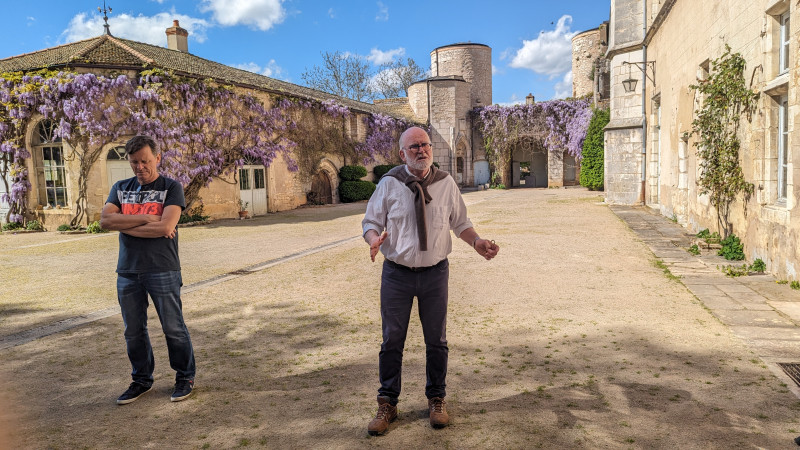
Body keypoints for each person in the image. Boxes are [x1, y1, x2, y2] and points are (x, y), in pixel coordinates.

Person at [362, 126, 499, 435]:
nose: (421, 150)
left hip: (435, 274)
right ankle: (387, 404)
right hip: (396, 275)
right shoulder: (389, 184)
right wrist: (373, 238)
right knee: (391, 340)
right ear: (402, 154)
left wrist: (477, 242)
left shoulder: (446, 184)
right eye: (414, 147)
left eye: (425, 145)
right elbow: (371, 221)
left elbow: (460, 222)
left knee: (436, 341)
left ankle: (436, 398)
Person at [100, 135, 196, 405]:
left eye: (144, 161)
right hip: (128, 271)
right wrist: (145, 217)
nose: (139, 167)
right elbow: (105, 221)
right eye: (134, 162)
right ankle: (141, 380)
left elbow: (166, 228)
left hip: (162, 269)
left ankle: (185, 376)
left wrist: (126, 223)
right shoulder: (120, 187)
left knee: (173, 327)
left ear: (157, 158)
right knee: (133, 331)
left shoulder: (171, 188)